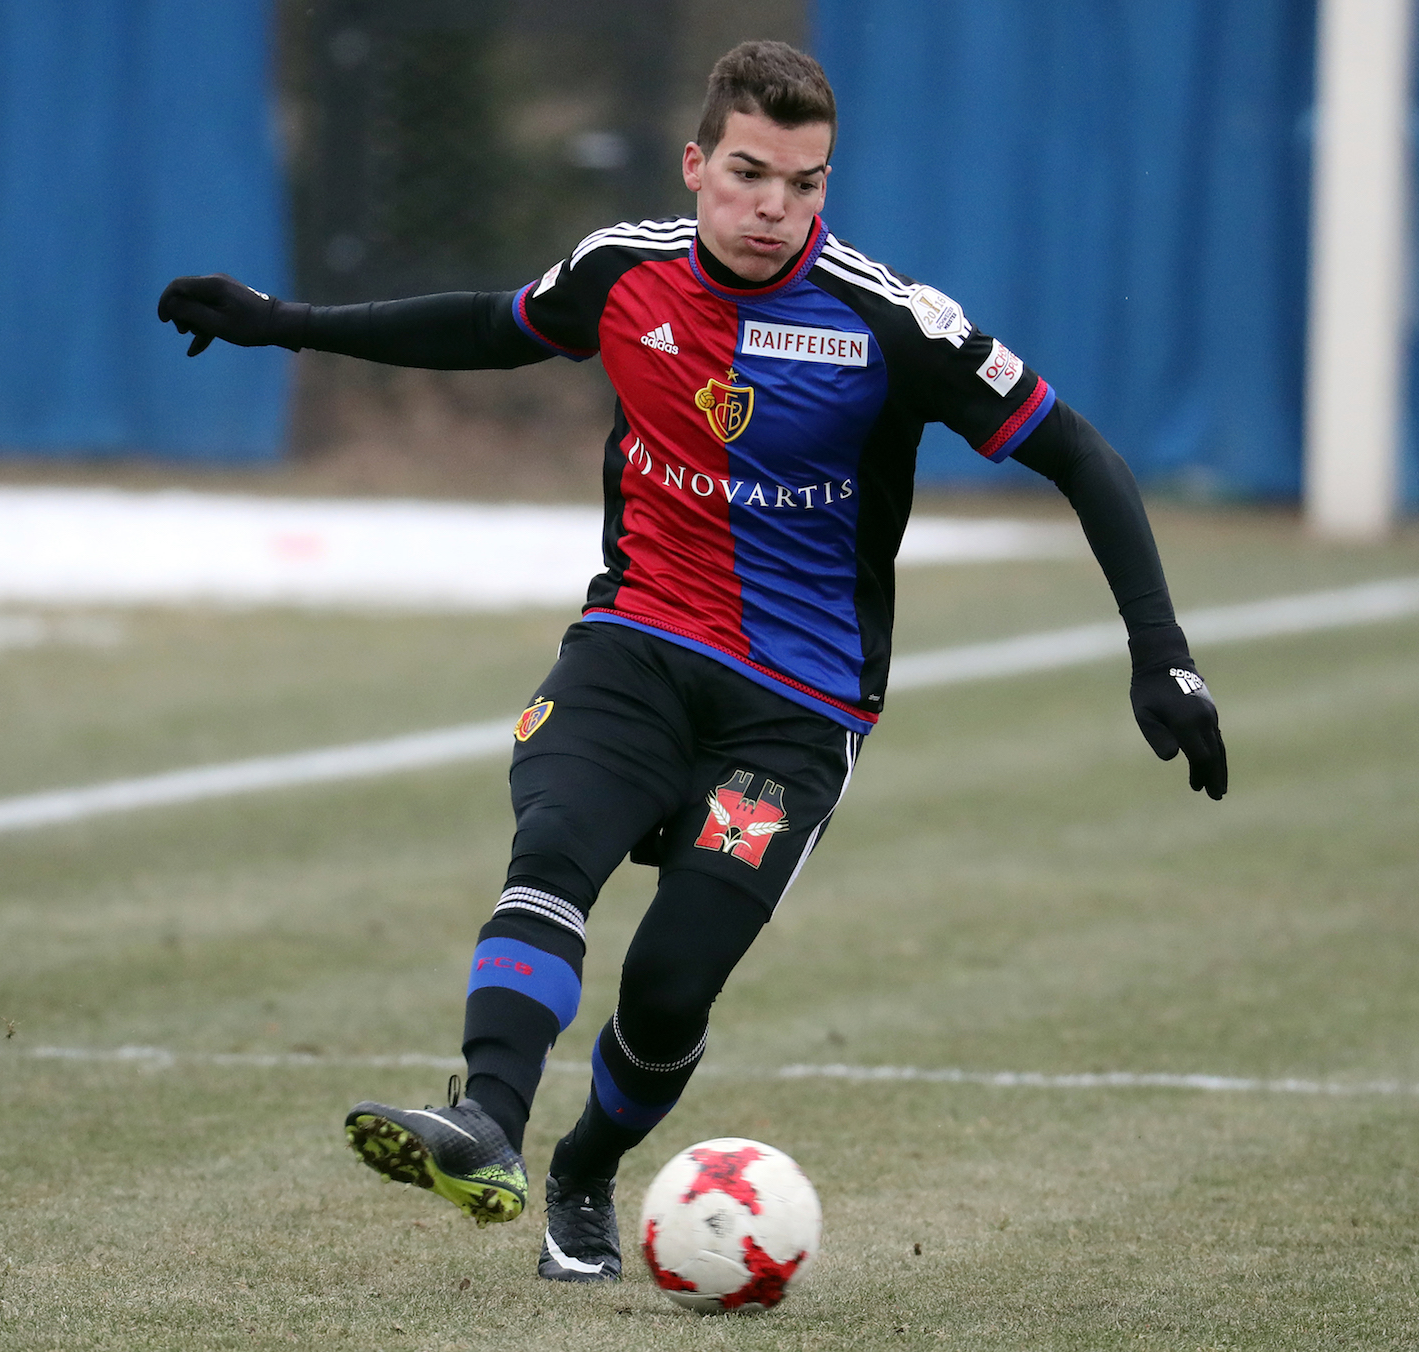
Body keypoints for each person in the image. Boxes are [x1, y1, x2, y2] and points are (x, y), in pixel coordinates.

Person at [158, 39, 1226, 1284]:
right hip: (635, 646)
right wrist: (284, 326)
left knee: (667, 984)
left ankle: (581, 1168)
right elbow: (489, 326)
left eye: (806, 182)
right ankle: (488, 1123)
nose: (774, 206)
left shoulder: (890, 323)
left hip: (794, 706)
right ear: (697, 164)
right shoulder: (625, 273)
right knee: (553, 848)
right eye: (749, 173)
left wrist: (1163, 653)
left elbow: (1077, 451)